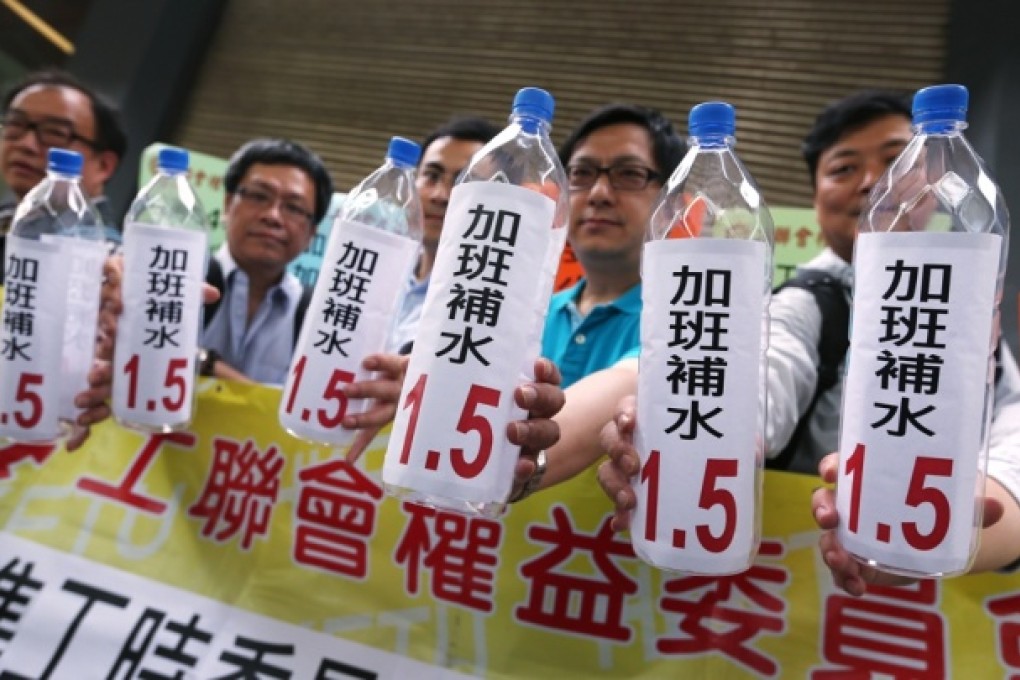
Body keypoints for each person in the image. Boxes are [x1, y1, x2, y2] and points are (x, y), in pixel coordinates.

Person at [588, 89, 1020, 589]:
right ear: (815, 196)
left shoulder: (960, 305)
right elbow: (760, 379)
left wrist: (960, 531)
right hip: (785, 599)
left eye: (898, 161)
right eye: (843, 168)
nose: (873, 183)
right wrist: (668, 415)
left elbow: (1011, 427)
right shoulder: (807, 301)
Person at [545, 104, 685, 387]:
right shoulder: (530, 314)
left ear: (672, 206)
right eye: (581, 173)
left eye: (629, 174)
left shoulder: (685, 327)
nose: (598, 194)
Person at [199, 138, 334, 384]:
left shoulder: (319, 318)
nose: (273, 216)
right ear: (228, 204)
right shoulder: (186, 280)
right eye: (259, 196)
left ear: (311, 234)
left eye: (293, 208)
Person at [389, 116, 500, 352]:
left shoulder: (486, 308)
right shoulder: (381, 272)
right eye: (431, 175)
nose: (440, 195)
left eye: (463, 181)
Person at [0, 68, 126, 234]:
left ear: (104, 166)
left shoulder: (99, 253)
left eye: (55, 133)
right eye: (16, 124)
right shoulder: (9, 219)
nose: (26, 144)